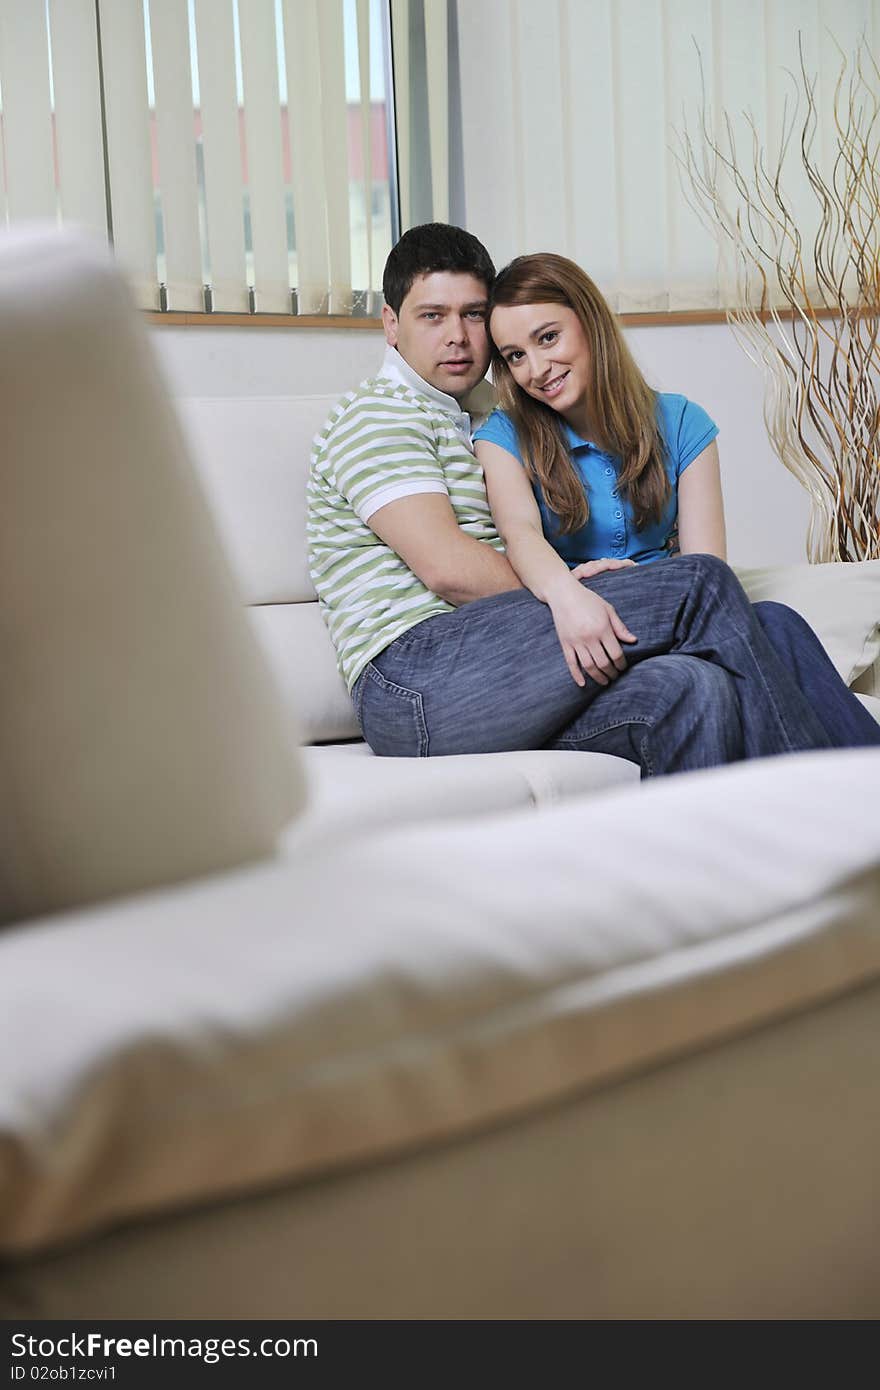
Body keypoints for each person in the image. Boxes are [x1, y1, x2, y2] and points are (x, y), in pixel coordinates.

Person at [307, 222, 847, 774]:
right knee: (704, 582)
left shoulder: (488, 412)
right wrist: (570, 588)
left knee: (694, 684)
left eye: (473, 314)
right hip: (414, 679)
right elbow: (450, 571)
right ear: (391, 325)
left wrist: (574, 585)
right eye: (432, 315)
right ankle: (832, 813)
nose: (458, 335)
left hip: (506, 661)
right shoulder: (379, 417)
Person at [475, 251, 880, 750]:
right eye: (515, 356)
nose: (536, 368)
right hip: (579, 626)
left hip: (670, 616)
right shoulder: (504, 434)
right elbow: (519, 534)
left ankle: (854, 788)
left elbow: (706, 566)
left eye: (548, 337)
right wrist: (568, 595)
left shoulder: (681, 421)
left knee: (778, 620)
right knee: (772, 623)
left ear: (591, 323)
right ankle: (837, 791)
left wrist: (653, 587)